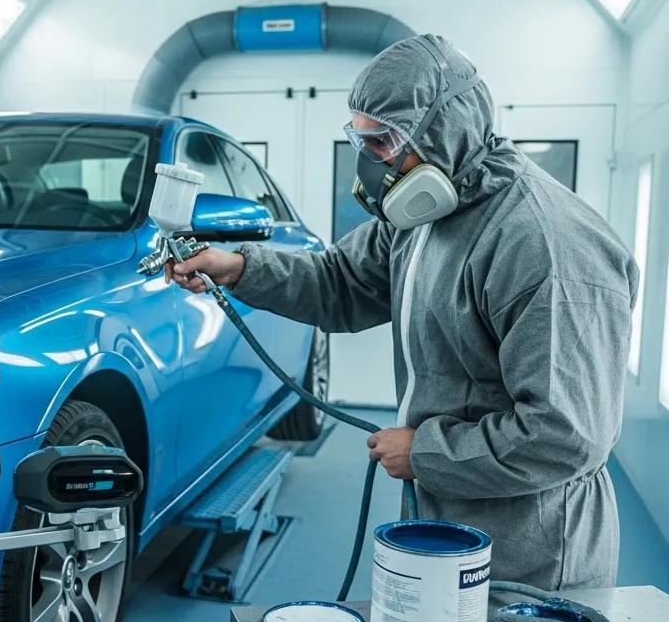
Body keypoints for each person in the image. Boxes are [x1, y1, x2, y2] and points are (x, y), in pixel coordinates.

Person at [169, 34, 638, 590]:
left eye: (386, 141)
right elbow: (339, 282)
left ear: (445, 130)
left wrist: (427, 452)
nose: (374, 162)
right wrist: (241, 267)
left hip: (532, 547)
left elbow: (564, 435)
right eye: (363, 141)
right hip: (451, 509)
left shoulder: (545, 246)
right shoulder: (425, 218)